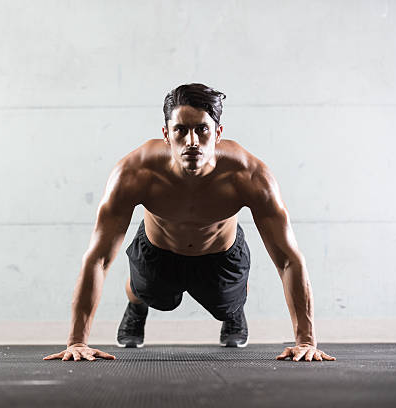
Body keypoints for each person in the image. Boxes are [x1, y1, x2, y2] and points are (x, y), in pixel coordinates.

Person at [43, 83, 336, 363]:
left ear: (218, 133)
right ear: (166, 135)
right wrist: (77, 342)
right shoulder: (135, 172)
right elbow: (98, 258)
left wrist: (306, 341)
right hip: (158, 253)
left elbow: (288, 260)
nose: (192, 141)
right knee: (148, 292)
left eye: (202, 130)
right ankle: (136, 303)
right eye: (181, 130)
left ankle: (234, 310)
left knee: (227, 306)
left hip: (221, 256)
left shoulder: (249, 175)